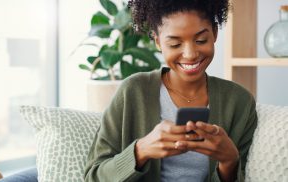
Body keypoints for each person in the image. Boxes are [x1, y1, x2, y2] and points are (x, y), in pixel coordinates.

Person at [85, 0, 258, 181]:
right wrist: (141, 150)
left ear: (214, 32)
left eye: (200, 40)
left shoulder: (239, 102)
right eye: (175, 44)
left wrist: (229, 161)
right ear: (158, 41)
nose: (190, 54)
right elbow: (93, 176)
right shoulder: (133, 92)